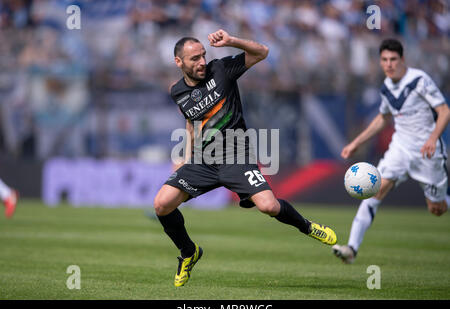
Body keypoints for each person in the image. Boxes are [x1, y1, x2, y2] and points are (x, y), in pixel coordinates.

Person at [153, 29, 337, 287]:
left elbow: (262, 52)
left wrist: (231, 42)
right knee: (162, 204)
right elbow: (191, 121)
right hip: (203, 161)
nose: (202, 62)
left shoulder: (221, 70)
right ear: (178, 62)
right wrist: (185, 155)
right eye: (194, 58)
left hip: (235, 155)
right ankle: (189, 253)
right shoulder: (178, 91)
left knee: (269, 207)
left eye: (203, 55)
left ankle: (307, 226)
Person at [333, 39, 450, 264]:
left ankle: (441, 199)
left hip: (427, 153)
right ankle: (351, 249)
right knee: (373, 190)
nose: (389, 64)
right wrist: (357, 142)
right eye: (385, 60)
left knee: (436, 209)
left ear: (402, 59)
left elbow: (444, 111)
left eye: (393, 59)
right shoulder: (386, 85)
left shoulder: (419, 80)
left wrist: (433, 138)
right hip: (399, 149)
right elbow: (384, 117)